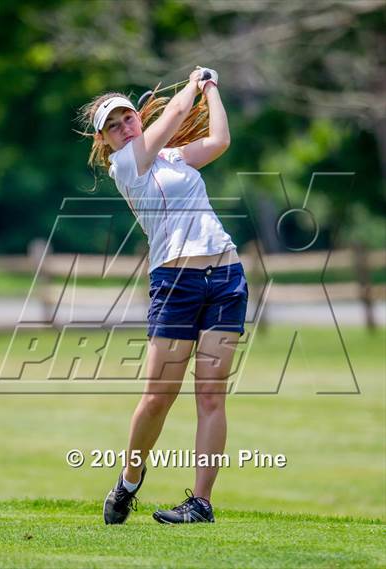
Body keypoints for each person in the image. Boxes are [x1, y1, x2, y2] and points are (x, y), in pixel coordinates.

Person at [79, 67, 248, 525]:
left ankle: (201, 503)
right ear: (105, 142)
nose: (123, 128)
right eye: (112, 126)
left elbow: (219, 141)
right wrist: (193, 82)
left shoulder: (171, 157)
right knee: (158, 397)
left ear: (137, 118)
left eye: (127, 118)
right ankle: (129, 480)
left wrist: (212, 90)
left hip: (226, 275)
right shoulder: (126, 166)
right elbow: (174, 111)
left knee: (211, 395)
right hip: (175, 285)